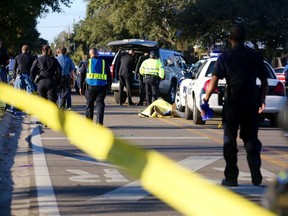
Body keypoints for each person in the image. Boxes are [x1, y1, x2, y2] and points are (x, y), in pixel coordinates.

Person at [202, 24, 268, 187]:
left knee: (229, 139)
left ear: (230, 39)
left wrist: (206, 98)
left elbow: (214, 81)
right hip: (251, 102)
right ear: (245, 38)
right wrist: (262, 100)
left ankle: (231, 177)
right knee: (251, 137)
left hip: (232, 103)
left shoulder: (225, 57)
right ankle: (255, 167)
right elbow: (264, 81)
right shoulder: (255, 56)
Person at [79, 48, 111, 125]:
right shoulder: (104, 63)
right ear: (97, 54)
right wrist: (109, 85)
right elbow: (109, 75)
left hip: (90, 88)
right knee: (100, 105)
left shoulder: (86, 63)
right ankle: (99, 124)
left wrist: (80, 87)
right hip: (101, 87)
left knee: (89, 105)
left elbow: (81, 75)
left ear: (90, 54)